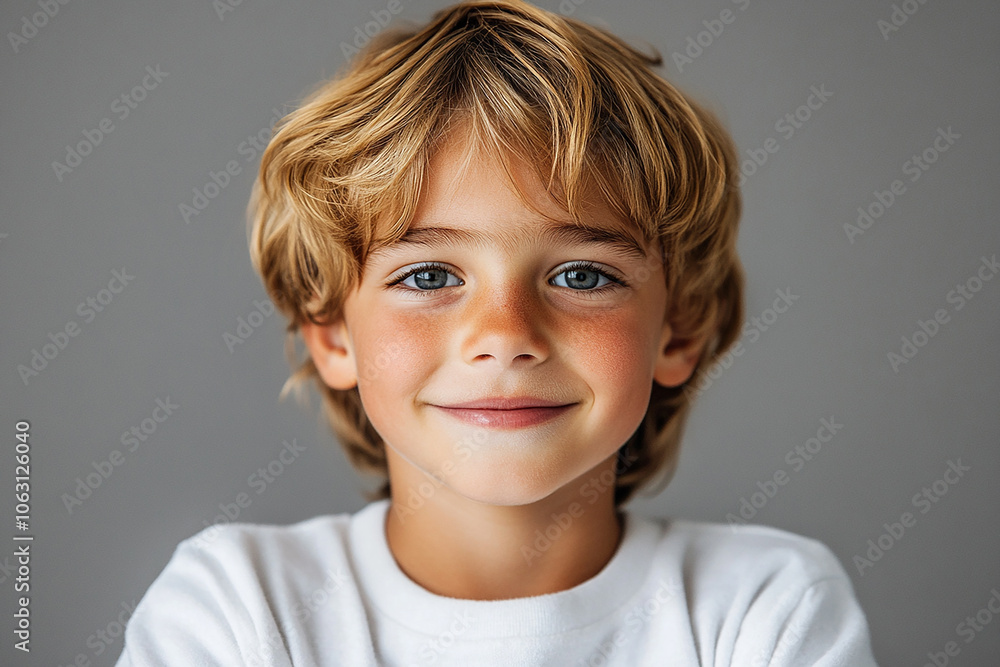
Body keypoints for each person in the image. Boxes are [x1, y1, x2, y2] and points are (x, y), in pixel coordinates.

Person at [116, 1, 878, 664]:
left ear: (678, 330)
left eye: (581, 275)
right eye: (428, 276)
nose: (504, 335)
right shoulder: (239, 608)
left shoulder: (765, 609)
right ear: (331, 333)